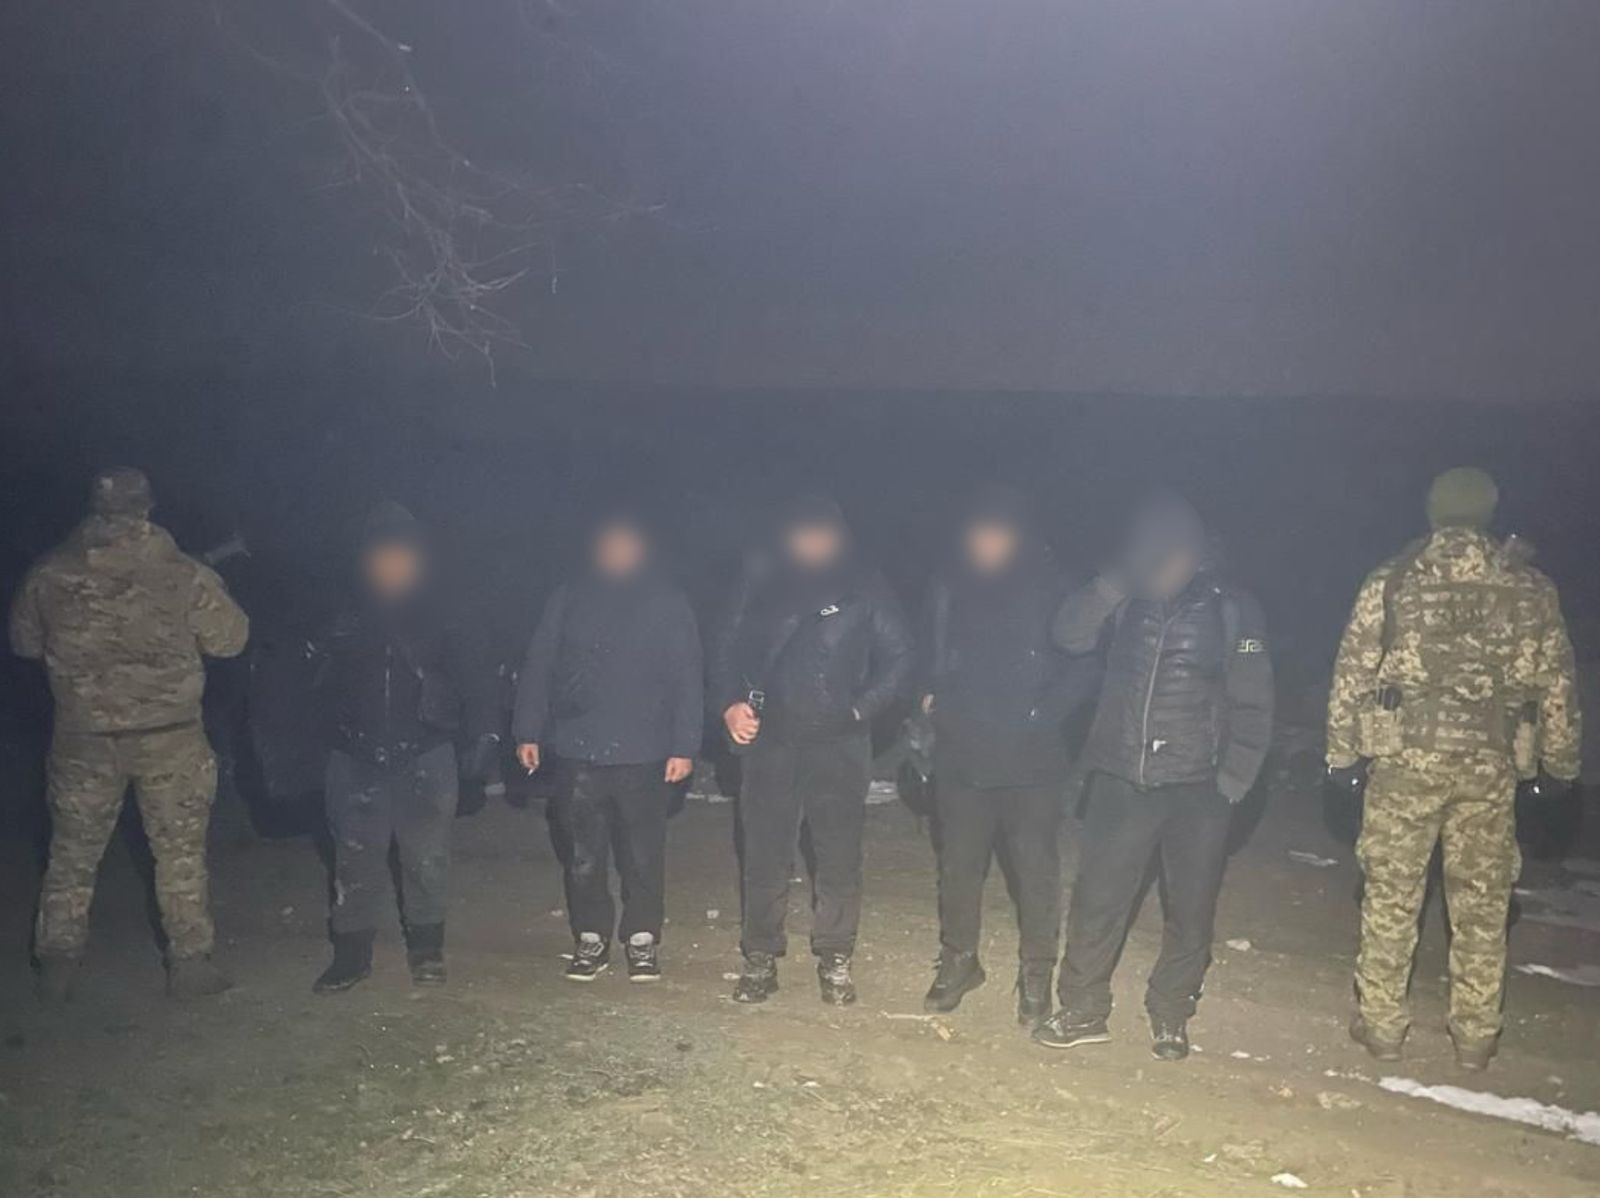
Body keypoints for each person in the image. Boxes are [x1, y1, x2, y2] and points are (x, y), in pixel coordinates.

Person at [1327, 468, 1580, 1071]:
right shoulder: (1528, 587)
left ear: (1433, 511)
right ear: (1488, 513)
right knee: (1483, 903)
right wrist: (1561, 767)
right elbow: (1557, 687)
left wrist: (1342, 756)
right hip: (1489, 768)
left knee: (1392, 894)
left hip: (1404, 763)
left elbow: (1353, 673)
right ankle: (1476, 1035)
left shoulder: (1394, 579)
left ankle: (1382, 1026)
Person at [1033, 492, 1273, 1060]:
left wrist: (1235, 778)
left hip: (1199, 789)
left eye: (1172, 553)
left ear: (1195, 553)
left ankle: (1171, 1012)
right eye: (1151, 554)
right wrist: (1114, 583)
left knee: (1190, 910)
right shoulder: (1123, 600)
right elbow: (1067, 635)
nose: (1163, 566)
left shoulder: (1232, 609)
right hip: (1122, 778)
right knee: (1096, 902)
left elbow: (1254, 697)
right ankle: (1083, 1009)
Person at [10, 467, 249, 1002]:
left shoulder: (49, 573)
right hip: (170, 739)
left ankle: (57, 965)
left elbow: (23, 642)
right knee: (178, 852)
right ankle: (189, 964)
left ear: (92, 507)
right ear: (148, 506)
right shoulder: (183, 573)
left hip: (84, 740)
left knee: (72, 854)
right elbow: (232, 639)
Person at [712, 494, 913, 1005]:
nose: (812, 542)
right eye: (803, 532)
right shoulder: (761, 578)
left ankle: (836, 955)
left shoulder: (864, 583)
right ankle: (760, 956)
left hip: (839, 744)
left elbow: (900, 658)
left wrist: (859, 710)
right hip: (770, 740)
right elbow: (725, 647)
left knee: (838, 854)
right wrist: (729, 705)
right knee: (764, 853)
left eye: (821, 532)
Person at [918, 486, 1097, 1025]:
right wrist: (930, 699)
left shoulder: (1055, 585)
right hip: (962, 754)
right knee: (959, 866)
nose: (986, 544)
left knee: (1035, 870)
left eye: (996, 534)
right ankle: (959, 960)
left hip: (1031, 762)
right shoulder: (949, 582)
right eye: (978, 534)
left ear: (1017, 536)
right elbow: (928, 651)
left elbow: (1085, 665)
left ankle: (1036, 974)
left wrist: (1044, 713)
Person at [309, 502, 497, 993]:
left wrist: (485, 735)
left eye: (402, 555)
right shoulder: (339, 609)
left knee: (427, 858)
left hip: (426, 751)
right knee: (354, 859)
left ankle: (427, 949)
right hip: (353, 754)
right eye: (382, 556)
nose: (393, 565)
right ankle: (351, 955)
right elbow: (304, 684)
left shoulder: (447, 608)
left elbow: (477, 676)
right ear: (365, 560)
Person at [512, 512, 703, 982]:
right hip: (578, 748)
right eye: (610, 545)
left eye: (626, 545)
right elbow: (540, 663)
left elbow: (687, 675)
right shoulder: (569, 597)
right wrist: (527, 730)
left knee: (642, 853)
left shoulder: (666, 601)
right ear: (597, 550)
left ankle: (642, 937)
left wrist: (684, 745)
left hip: (645, 751)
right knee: (583, 854)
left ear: (641, 550)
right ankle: (590, 935)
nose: (618, 553)